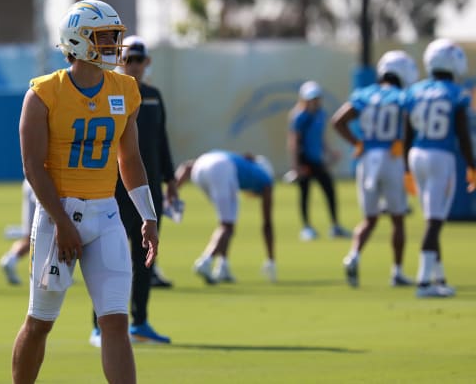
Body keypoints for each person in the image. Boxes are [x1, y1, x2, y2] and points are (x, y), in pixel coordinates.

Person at [12, 0, 159, 384]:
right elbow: (33, 167)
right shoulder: (44, 93)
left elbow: (130, 160)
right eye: (105, 37)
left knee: (115, 321)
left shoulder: (126, 89)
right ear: (78, 41)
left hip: (106, 213)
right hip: (57, 213)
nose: (113, 45)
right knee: (41, 320)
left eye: (114, 37)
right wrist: (61, 222)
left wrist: (147, 214)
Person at [89, 35, 177, 348]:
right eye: (129, 59)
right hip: (114, 189)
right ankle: (99, 325)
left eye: (140, 60)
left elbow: (161, 142)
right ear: (120, 60)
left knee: (144, 258)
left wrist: (171, 181)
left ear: (147, 63)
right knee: (110, 257)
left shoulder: (152, 96)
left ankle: (140, 322)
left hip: (148, 190)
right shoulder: (109, 93)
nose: (135, 65)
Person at [332, 50, 419, 288]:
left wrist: (357, 142)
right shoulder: (403, 96)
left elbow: (337, 120)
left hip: (367, 157)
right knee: (398, 219)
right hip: (392, 157)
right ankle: (397, 271)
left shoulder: (365, 94)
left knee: (369, 219)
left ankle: (353, 256)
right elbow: (412, 124)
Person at [402, 39, 476, 298]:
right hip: (440, 155)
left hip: (416, 154)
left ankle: (438, 277)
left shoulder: (415, 91)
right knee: (434, 222)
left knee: (434, 218)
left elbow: (407, 130)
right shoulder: (456, 93)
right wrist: (472, 165)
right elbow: (463, 134)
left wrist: (405, 168)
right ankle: (424, 283)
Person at [175, 151, 277, 284]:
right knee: (227, 225)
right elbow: (267, 223)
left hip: (200, 169)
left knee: (226, 222)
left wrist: (172, 192)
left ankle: (222, 266)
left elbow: (187, 167)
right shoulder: (266, 180)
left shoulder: (242, 163)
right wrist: (271, 259)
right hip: (221, 170)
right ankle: (205, 261)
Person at [287, 80, 351, 241]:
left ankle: (335, 226)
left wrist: (329, 153)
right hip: (304, 160)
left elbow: (320, 138)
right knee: (305, 193)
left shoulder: (321, 114)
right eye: (311, 98)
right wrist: (296, 166)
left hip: (317, 159)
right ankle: (307, 227)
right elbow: (294, 141)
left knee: (329, 190)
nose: (314, 101)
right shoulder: (299, 116)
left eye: (316, 98)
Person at [0, 179, 36, 285]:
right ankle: (58, 271)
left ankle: (11, 259)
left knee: (30, 236)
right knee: (52, 232)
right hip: (49, 182)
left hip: (30, 180)